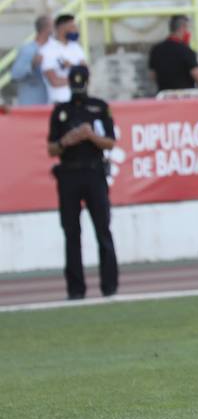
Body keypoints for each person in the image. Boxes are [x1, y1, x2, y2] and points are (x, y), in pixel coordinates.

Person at [48, 65, 118, 300]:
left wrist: (90, 136)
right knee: (71, 232)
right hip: (69, 174)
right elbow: (51, 148)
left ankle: (109, 287)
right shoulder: (60, 112)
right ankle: (75, 289)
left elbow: (110, 142)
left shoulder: (99, 107)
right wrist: (66, 141)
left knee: (103, 229)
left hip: (94, 173)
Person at [147, 15, 198, 92]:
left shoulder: (156, 49)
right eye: (187, 28)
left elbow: (152, 75)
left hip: (164, 97)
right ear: (183, 28)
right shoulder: (186, 50)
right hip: (184, 98)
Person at [39, 13, 86, 104]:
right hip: (59, 102)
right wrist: (78, 79)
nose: (76, 30)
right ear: (61, 28)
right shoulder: (47, 50)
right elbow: (54, 81)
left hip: (80, 100)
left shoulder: (76, 47)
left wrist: (72, 67)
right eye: (72, 27)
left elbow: (86, 73)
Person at [11, 15, 53, 106]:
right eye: (52, 27)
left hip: (49, 104)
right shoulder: (28, 49)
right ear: (46, 29)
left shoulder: (55, 49)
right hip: (31, 104)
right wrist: (32, 64)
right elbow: (15, 74)